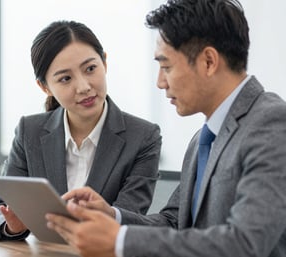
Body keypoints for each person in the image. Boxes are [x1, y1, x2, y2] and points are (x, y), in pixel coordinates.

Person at [45, 1, 286, 256]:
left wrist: (120, 241)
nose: (160, 82)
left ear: (208, 61)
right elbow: (174, 223)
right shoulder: (203, 139)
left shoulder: (272, 124)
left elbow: (245, 243)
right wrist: (112, 216)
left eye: (167, 67)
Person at [0, 20, 162, 241]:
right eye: (65, 79)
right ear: (45, 87)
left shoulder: (143, 137)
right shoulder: (29, 131)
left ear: (104, 63)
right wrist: (13, 226)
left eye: (90, 69)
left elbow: (131, 217)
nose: (84, 86)